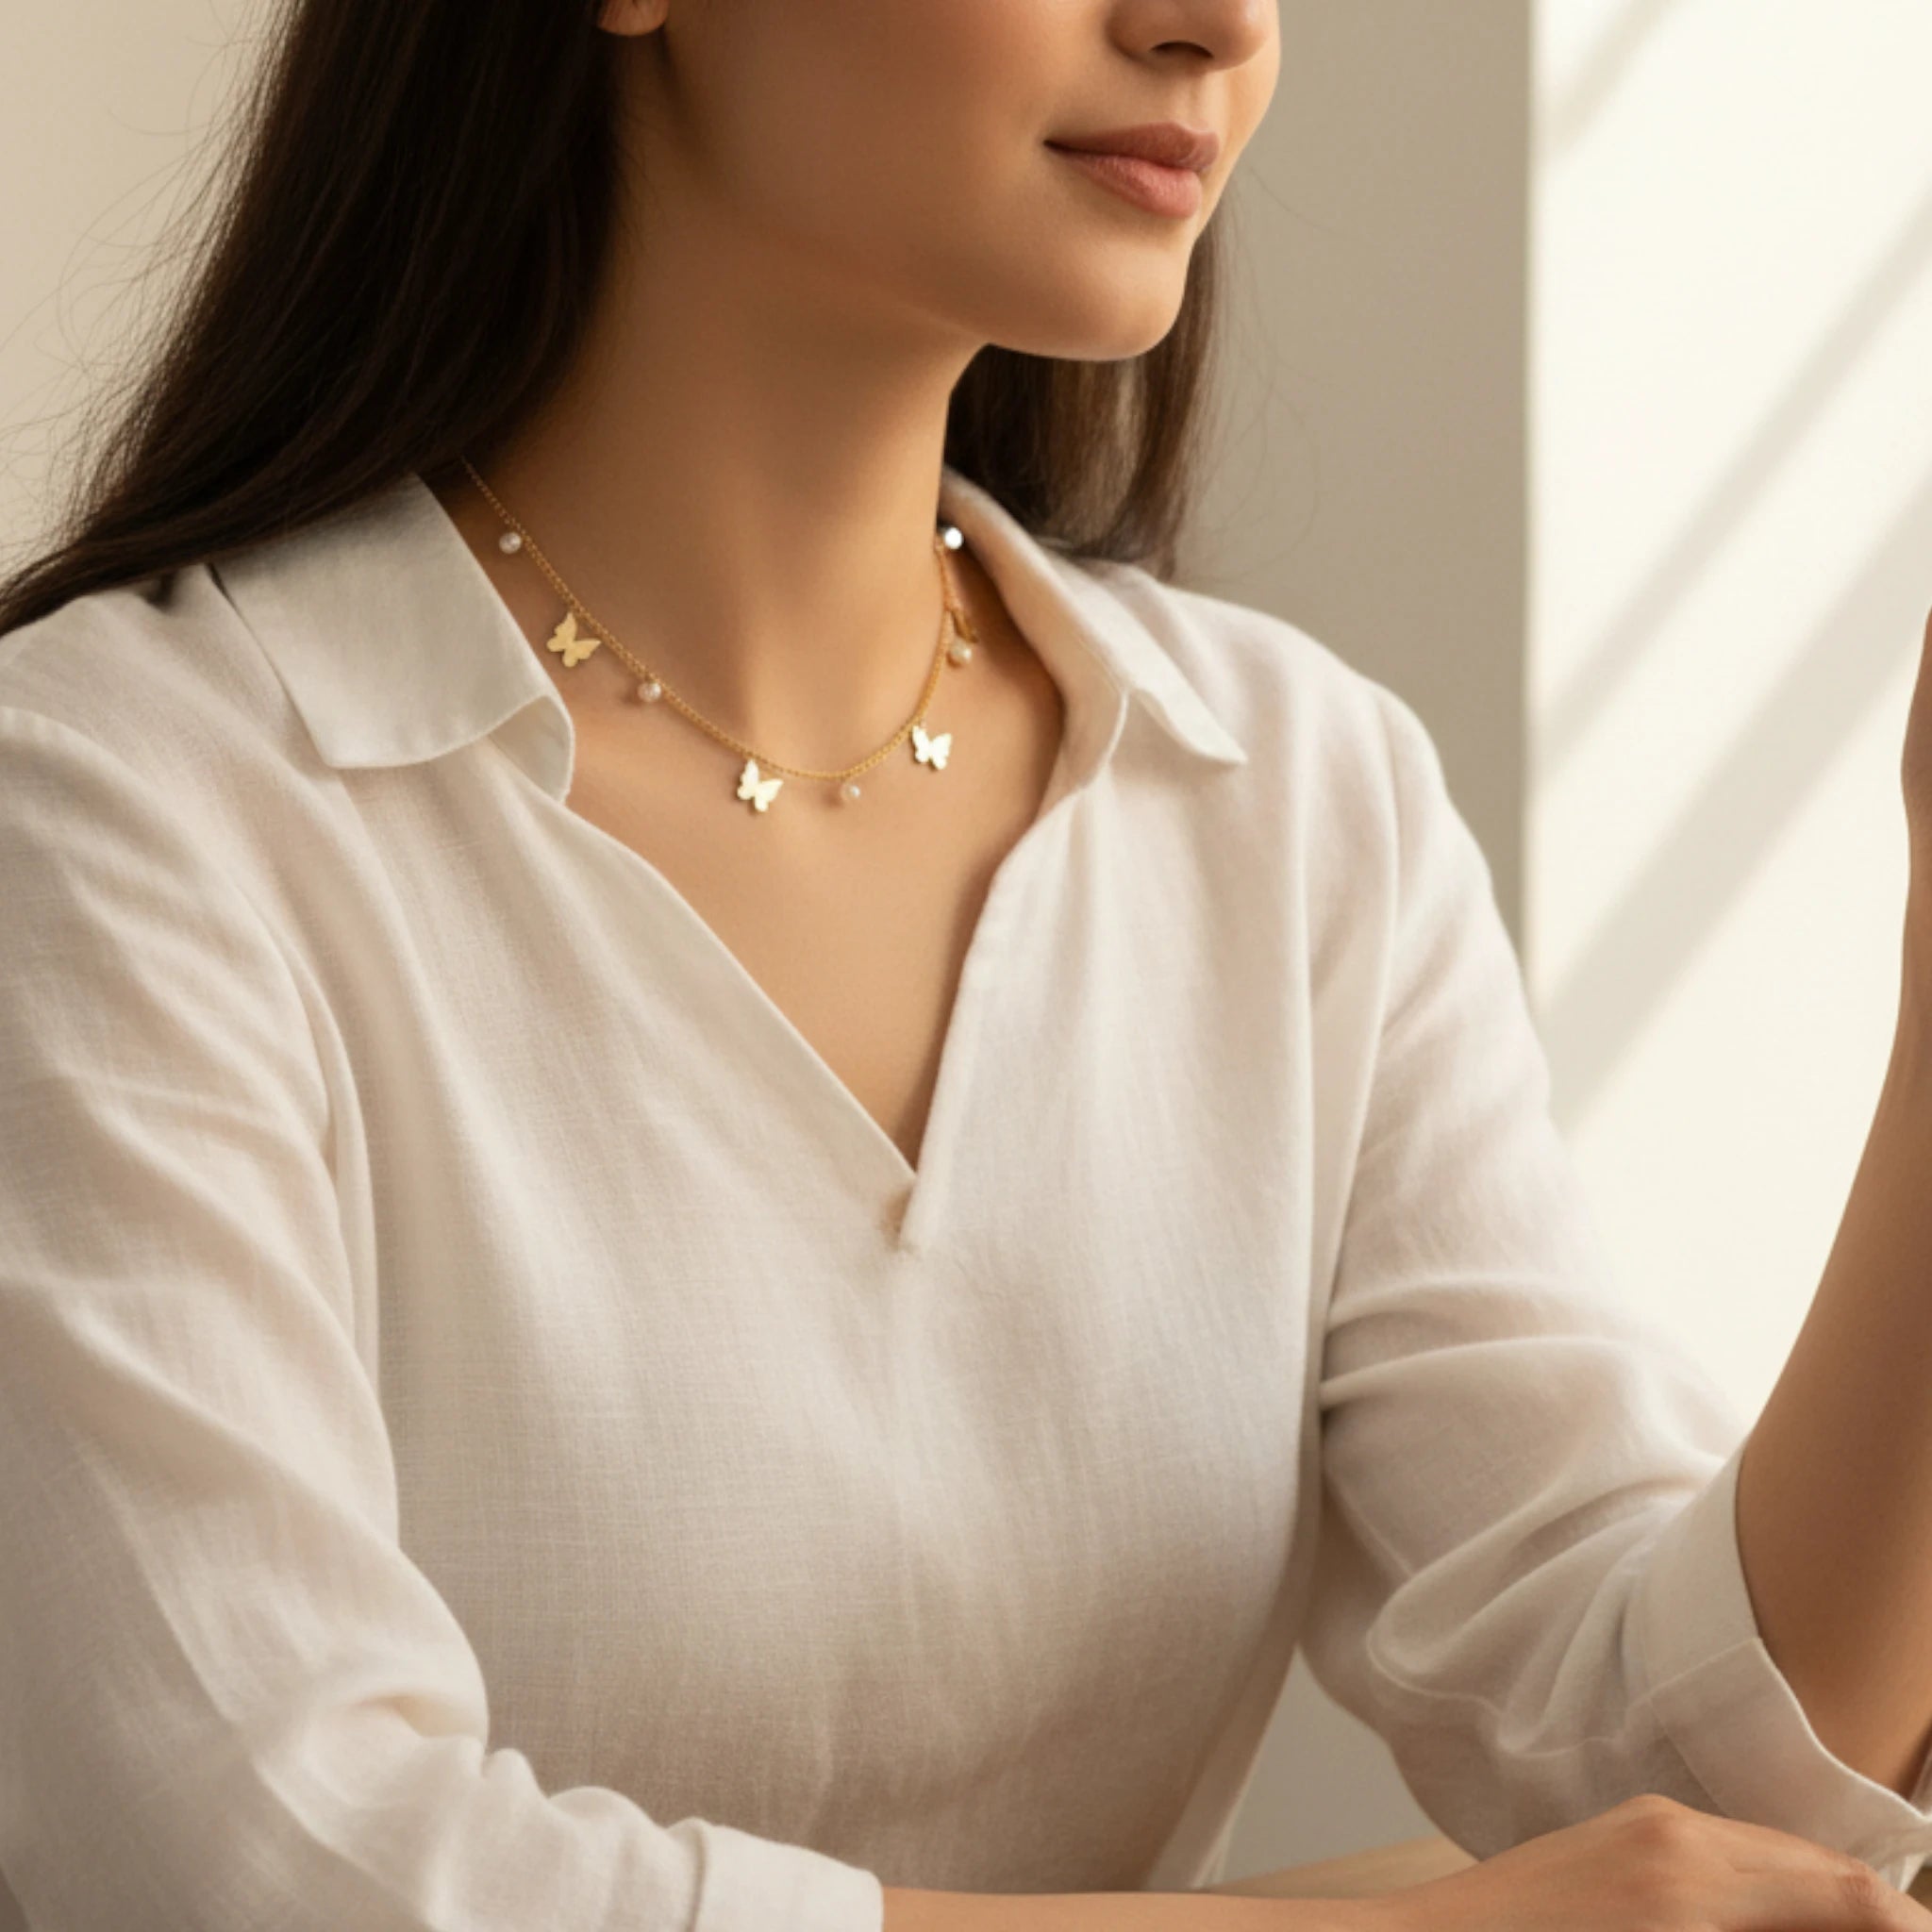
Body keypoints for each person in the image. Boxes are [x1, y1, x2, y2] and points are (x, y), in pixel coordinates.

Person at [3, 3, 1931, 1930]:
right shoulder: (119, 805)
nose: (1219, 24)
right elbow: (254, 1857)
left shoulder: (1293, 804)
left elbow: (1712, 1790)